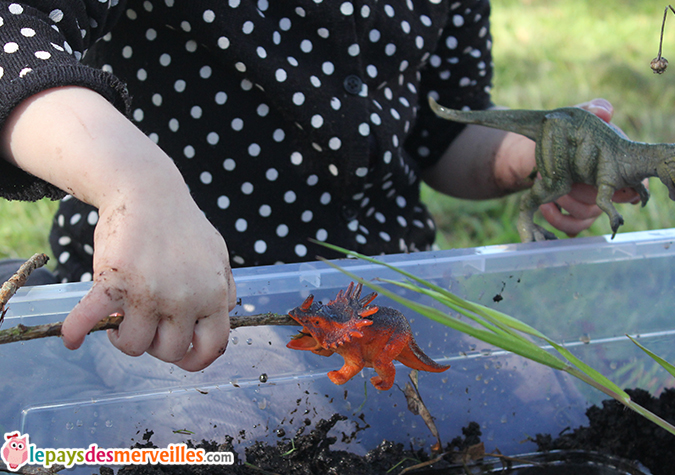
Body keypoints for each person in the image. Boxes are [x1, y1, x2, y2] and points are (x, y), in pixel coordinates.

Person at [0, 1, 639, 371]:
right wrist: (135, 183)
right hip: (182, 308)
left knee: (532, 396)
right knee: (251, 431)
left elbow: (440, 132)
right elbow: (17, 43)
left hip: (383, 295)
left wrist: (538, 154)